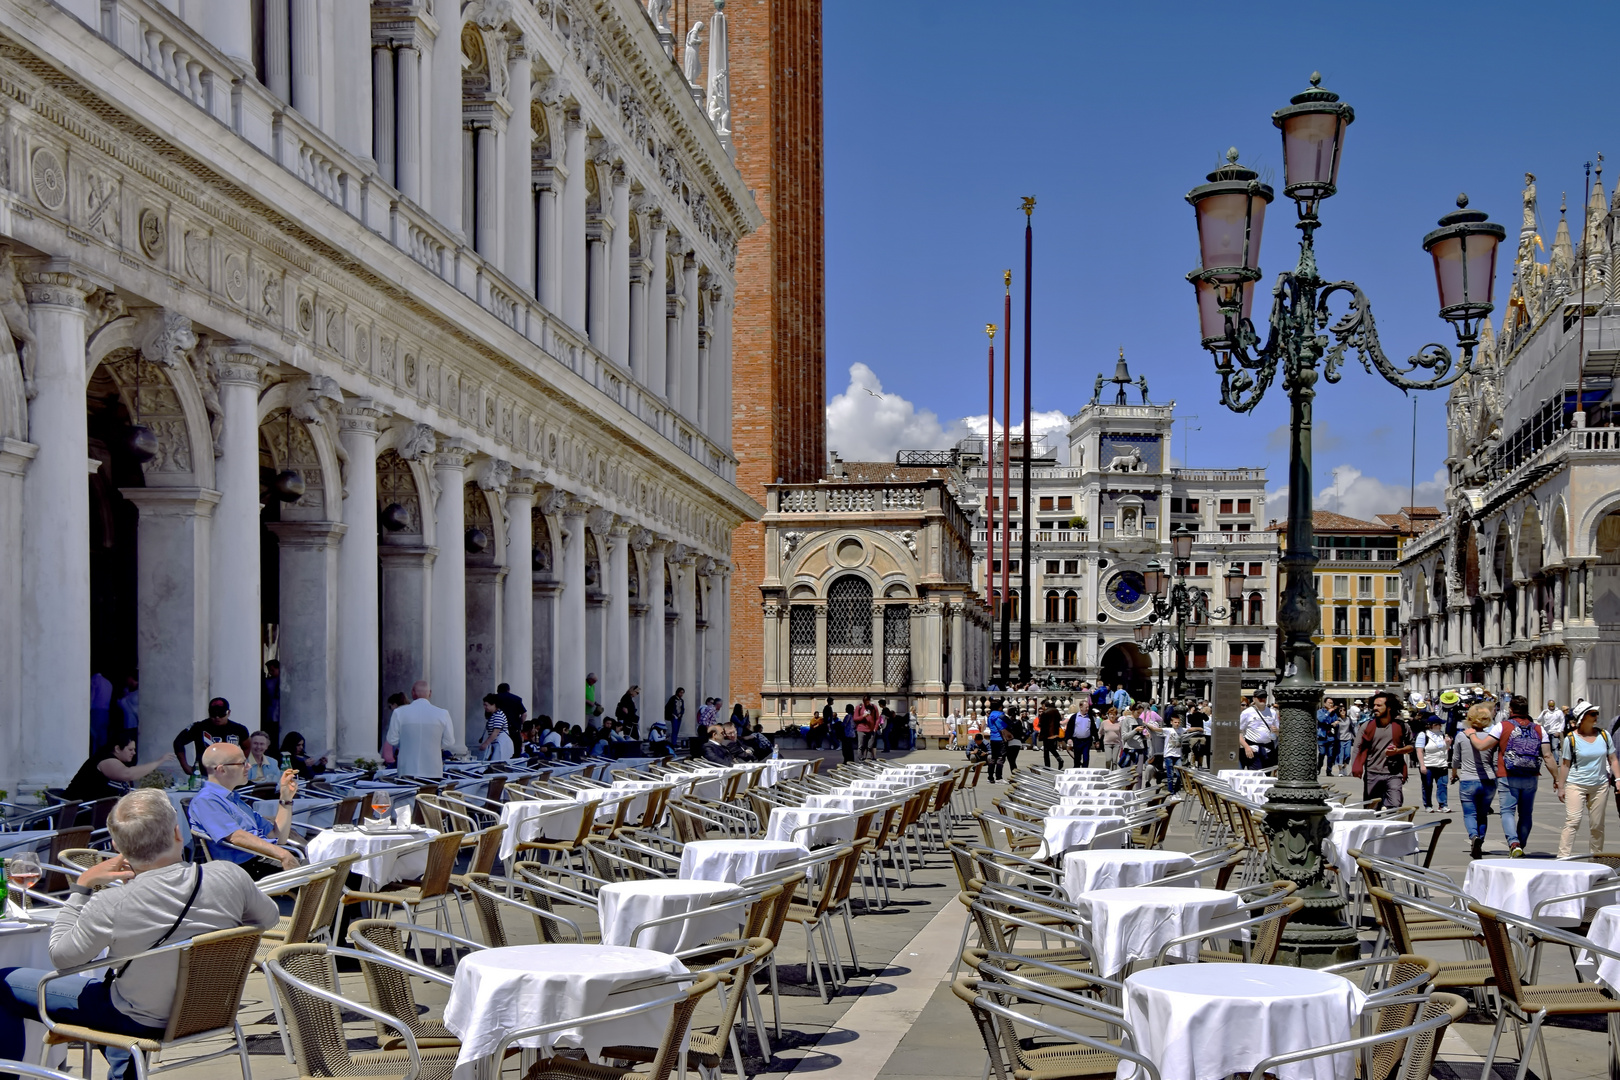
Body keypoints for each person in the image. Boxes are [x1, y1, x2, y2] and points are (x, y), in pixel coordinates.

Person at [0, 790, 279, 1080]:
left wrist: (82, 886)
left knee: (4, 982)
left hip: (139, 1018)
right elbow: (269, 918)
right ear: (177, 834)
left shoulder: (113, 902)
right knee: (120, 987)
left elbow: (62, 958)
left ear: (118, 846)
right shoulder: (229, 875)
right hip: (209, 1010)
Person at [186, 743, 301, 876]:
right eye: (242, 763)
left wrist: (285, 799)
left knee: (324, 872)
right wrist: (283, 854)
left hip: (264, 860)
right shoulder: (206, 801)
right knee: (323, 877)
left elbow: (278, 837)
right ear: (222, 769)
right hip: (244, 870)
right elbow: (236, 837)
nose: (249, 766)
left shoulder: (233, 799)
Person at [1486, 694, 1560, 857]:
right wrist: (1557, 778)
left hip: (1507, 774)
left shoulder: (1502, 726)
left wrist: (1471, 736)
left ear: (1511, 709)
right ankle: (1522, 843)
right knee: (1526, 813)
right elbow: (1548, 756)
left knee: (1507, 811)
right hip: (1531, 775)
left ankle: (1514, 844)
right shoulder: (1539, 729)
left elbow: (1485, 746)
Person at [1558, 699, 1620, 858]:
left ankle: (1596, 859)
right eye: (1593, 714)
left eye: (1596, 713)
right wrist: (1561, 786)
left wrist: (1618, 779)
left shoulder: (1604, 735)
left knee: (1597, 825)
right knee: (1573, 821)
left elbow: (1613, 759)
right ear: (1582, 718)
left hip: (1599, 786)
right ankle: (1562, 858)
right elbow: (1565, 765)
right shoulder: (1571, 739)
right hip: (1576, 784)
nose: (1596, 716)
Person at [383, 680, 459, 779]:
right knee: (430, 794)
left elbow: (392, 740)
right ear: (430, 693)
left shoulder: (399, 712)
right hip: (433, 769)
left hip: (407, 768)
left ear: (413, 693)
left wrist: (406, 744)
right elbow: (449, 741)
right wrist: (433, 746)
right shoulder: (442, 714)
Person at [1451, 703, 1499, 859]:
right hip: (1489, 779)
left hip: (1468, 780)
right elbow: (1496, 760)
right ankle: (1481, 840)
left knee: (1469, 814)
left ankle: (1473, 836)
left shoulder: (1461, 736)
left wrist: (1454, 773)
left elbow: (1456, 759)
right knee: (1483, 813)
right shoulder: (1492, 737)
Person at [65, 736, 175, 802]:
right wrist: (158, 762)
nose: (134, 753)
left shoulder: (117, 762)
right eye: (130, 749)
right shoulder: (105, 760)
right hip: (84, 813)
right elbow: (127, 774)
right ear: (117, 748)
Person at [1355, 689, 1414, 811]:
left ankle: (1391, 829)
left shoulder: (1402, 726)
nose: (1375, 708)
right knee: (1371, 810)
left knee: (1395, 806)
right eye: (1374, 705)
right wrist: (1356, 766)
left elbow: (1411, 746)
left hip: (1394, 773)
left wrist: (1398, 751)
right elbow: (1358, 747)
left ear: (1389, 708)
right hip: (1372, 772)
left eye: (1379, 705)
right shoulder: (1367, 726)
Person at [171, 698, 250, 775]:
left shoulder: (239, 729)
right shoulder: (199, 727)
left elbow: (247, 747)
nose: (217, 717)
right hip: (205, 774)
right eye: (213, 714)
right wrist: (185, 766)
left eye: (221, 714)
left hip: (229, 774)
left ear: (228, 713)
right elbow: (178, 742)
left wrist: (240, 763)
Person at [1415, 716, 1451, 812]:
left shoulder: (1442, 735)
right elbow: (1419, 751)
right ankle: (1428, 805)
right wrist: (1422, 765)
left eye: (1440, 724)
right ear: (1431, 725)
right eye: (1437, 724)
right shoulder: (1423, 735)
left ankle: (1443, 805)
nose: (1440, 726)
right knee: (1427, 785)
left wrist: (1448, 743)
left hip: (1442, 764)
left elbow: (1445, 749)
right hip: (1428, 764)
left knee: (1442, 785)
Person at [1238, 690, 1278, 770]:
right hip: (1253, 750)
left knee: (1266, 777)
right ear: (1254, 699)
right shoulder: (1247, 713)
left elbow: (1276, 734)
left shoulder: (1272, 712)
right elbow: (1237, 732)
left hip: (1268, 750)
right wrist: (1246, 747)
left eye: (1264, 697)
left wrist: (1276, 731)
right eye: (1259, 697)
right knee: (1255, 776)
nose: (1262, 699)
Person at [478, 693, 513, 761]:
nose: (485, 707)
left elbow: (496, 732)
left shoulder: (498, 715)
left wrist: (486, 743)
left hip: (501, 743)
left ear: (493, 704)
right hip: (496, 742)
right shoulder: (493, 715)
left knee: (496, 761)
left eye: (486, 705)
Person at [1316, 697, 1342, 777]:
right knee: (1322, 753)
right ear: (1325, 703)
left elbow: (1335, 721)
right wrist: (1328, 713)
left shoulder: (1334, 713)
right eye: (1329, 703)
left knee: (1331, 755)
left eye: (1332, 703)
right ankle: (1318, 767)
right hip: (1322, 736)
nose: (1331, 705)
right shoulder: (1320, 712)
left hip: (1331, 736)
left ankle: (1329, 770)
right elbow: (1321, 720)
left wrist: (1336, 723)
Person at [984, 698, 1008, 782]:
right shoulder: (1001, 715)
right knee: (1000, 758)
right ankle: (999, 777)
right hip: (1000, 738)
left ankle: (990, 777)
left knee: (993, 758)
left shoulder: (990, 716)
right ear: (1000, 707)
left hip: (993, 738)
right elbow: (1004, 726)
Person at [1540, 698, 1567, 765]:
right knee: (1547, 748)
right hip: (1547, 732)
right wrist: (1543, 714)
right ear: (1548, 705)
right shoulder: (1545, 711)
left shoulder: (1559, 712)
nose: (1551, 706)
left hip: (1555, 732)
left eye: (1553, 704)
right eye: (1550, 704)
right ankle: (1548, 761)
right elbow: (1538, 720)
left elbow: (1562, 721)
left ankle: (1556, 761)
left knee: (1555, 747)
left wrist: (1559, 731)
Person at [1067, 700, 1094, 767]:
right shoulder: (1074, 717)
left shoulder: (1090, 717)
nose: (1087, 709)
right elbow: (1069, 729)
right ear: (1081, 707)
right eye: (1086, 707)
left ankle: (1085, 771)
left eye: (1088, 707)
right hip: (1077, 741)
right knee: (1077, 759)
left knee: (1086, 758)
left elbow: (1093, 729)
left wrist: (1097, 740)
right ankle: (1077, 771)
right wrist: (1069, 738)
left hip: (1086, 741)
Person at [1038, 699, 1064, 768]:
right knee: (1051, 748)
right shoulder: (1056, 711)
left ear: (1044, 705)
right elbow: (1059, 720)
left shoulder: (1045, 713)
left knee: (1046, 750)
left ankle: (1048, 765)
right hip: (1055, 733)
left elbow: (1041, 724)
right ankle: (1058, 759)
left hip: (1047, 734)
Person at [261, 659, 282, 745]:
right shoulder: (268, 681)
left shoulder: (282, 680)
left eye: (272, 670)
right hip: (270, 714)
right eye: (269, 670)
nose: (270, 672)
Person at [1163, 711, 1184, 795]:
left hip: (1177, 755)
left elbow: (1190, 729)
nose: (1177, 724)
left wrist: (1200, 728)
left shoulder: (1181, 730)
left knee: (1180, 774)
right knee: (1170, 774)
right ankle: (1171, 791)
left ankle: (1176, 789)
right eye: (1175, 722)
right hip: (1169, 754)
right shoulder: (1168, 730)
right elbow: (1156, 729)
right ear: (1171, 722)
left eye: (1178, 722)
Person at [855, 695, 880, 762]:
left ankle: (868, 759)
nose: (867, 703)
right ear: (863, 701)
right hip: (861, 729)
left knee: (870, 747)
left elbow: (877, 718)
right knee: (861, 746)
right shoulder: (859, 707)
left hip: (871, 730)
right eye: (865, 701)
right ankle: (860, 760)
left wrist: (875, 728)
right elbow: (855, 718)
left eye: (868, 701)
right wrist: (863, 716)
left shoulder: (874, 707)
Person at [1002, 707, 1024, 774]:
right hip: (1018, 742)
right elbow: (1021, 732)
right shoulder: (1019, 721)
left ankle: (1015, 774)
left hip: (1011, 742)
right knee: (1012, 760)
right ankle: (1015, 774)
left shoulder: (1008, 722)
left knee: (1011, 760)